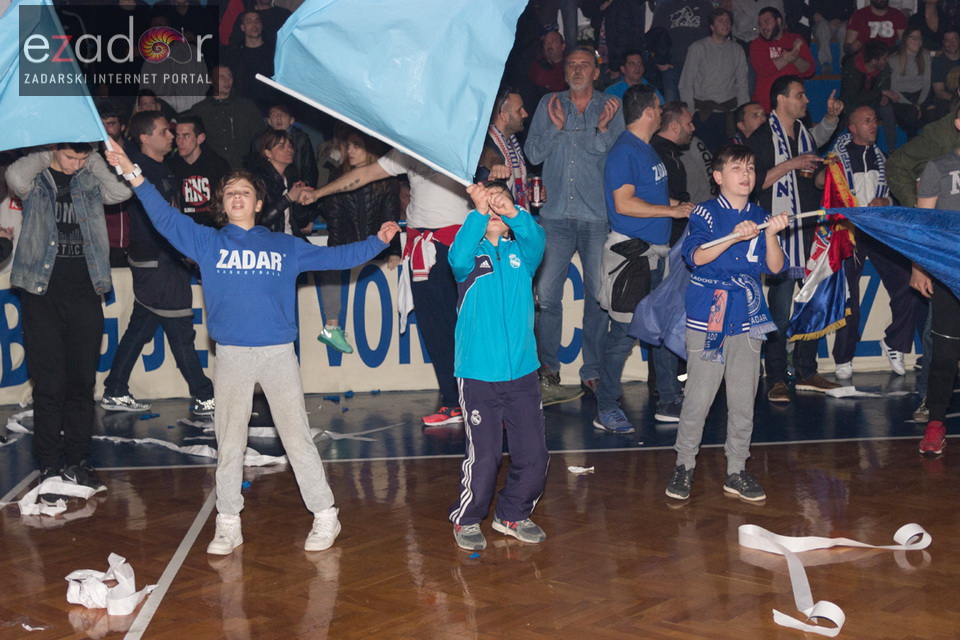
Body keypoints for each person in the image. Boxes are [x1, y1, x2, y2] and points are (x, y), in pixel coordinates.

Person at [105, 143, 399, 555]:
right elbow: (163, 216)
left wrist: (376, 243)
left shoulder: (284, 246)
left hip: (278, 355)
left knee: (297, 439)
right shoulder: (207, 243)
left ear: (259, 204)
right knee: (229, 443)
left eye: (244, 192)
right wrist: (131, 172)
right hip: (231, 357)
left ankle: (325, 514)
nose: (237, 197)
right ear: (222, 205)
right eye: (230, 193)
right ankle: (228, 522)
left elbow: (335, 257)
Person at [300, 147, 470, 426]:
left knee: (465, 327)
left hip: (457, 243)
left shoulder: (457, 143)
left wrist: (496, 164)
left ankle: (481, 400)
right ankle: (453, 402)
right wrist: (319, 193)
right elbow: (365, 173)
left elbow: (488, 157)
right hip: (419, 244)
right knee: (433, 329)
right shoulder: (408, 149)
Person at [7, 144, 132, 504]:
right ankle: (48, 464)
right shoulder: (38, 178)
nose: (75, 165)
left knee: (82, 383)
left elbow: (121, 191)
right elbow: (14, 176)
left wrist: (94, 159)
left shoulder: (90, 177)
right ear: (55, 150)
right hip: (41, 294)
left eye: (81, 158)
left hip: (85, 293)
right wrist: (47, 155)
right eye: (69, 157)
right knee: (50, 385)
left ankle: (77, 460)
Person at [665, 144, 789, 502]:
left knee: (743, 400)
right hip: (709, 314)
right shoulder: (704, 213)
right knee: (698, 398)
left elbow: (776, 267)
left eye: (750, 168)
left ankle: (736, 469)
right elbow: (696, 257)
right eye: (737, 168)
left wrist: (770, 234)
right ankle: (684, 464)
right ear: (718, 177)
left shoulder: (760, 214)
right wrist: (736, 235)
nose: (745, 174)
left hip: (748, 316)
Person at [447, 181, 548, 551]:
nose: (493, 210)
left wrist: (512, 210)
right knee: (485, 456)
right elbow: (456, 256)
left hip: (523, 373)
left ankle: (512, 514)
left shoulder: (523, 254)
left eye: (499, 204)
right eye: (486, 205)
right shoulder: (468, 257)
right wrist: (479, 212)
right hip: (478, 375)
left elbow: (536, 238)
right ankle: (468, 518)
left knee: (534, 454)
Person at [525, 47, 625, 402]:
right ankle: (548, 372)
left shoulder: (610, 106)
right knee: (548, 298)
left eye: (584, 65)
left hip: (596, 216)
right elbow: (532, 154)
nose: (577, 69)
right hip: (554, 217)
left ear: (596, 72)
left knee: (598, 299)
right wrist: (556, 129)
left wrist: (603, 130)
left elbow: (618, 159)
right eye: (571, 65)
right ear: (564, 71)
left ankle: (592, 371)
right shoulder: (549, 104)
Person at [100, 111, 215, 416]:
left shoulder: (162, 168)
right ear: (145, 138)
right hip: (158, 259)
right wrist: (185, 254)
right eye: (164, 131)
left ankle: (115, 389)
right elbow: (159, 222)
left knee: (142, 326)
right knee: (180, 328)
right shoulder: (141, 170)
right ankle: (205, 395)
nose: (171, 136)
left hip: (161, 259)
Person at [596, 86, 693, 434]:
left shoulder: (647, 150)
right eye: (659, 106)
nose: (662, 111)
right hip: (633, 257)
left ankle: (668, 399)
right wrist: (672, 211)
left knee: (661, 328)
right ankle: (605, 406)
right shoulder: (625, 151)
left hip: (654, 255)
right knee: (623, 334)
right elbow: (623, 203)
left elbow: (651, 198)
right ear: (649, 112)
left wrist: (685, 208)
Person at [744, 75, 843, 402]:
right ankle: (775, 377)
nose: (806, 100)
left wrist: (825, 177)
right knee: (780, 311)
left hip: (807, 230)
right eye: (800, 95)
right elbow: (755, 183)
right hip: (779, 235)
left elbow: (808, 179)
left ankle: (806, 371)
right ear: (781, 100)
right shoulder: (761, 137)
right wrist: (792, 164)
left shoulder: (803, 133)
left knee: (813, 304)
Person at [828, 106, 925, 378]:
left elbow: (894, 197)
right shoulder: (837, 158)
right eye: (867, 121)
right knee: (848, 295)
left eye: (875, 120)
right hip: (849, 232)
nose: (874, 125)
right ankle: (844, 357)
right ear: (852, 128)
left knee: (909, 284)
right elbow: (823, 186)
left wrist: (886, 200)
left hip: (879, 231)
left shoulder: (883, 157)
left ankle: (895, 343)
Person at [318, 129, 401, 355]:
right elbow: (336, 222)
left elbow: (390, 218)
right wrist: (336, 255)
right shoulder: (338, 176)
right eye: (348, 145)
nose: (350, 150)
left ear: (370, 148)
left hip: (378, 247)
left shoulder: (387, 181)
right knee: (329, 266)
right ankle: (331, 327)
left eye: (356, 145)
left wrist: (393, 250)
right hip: (349, 246)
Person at [911, 108, 960, 455]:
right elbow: (922, 226)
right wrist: (919, 267)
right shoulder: (938, 168)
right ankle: (935, 423)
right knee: (944, 354)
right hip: (948, 272)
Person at [679, 8, 750, 153]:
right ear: (711, 26)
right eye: (721, 21)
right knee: (705, 157)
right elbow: (686, 83)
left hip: (729, 113)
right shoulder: (698, 48)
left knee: (728, 156)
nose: (725, 24)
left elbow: (742, 84)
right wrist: (690, 113)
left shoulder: (737, 50)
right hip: (703, 113)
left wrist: (743, 114)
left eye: (728, 21)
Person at [188, 64, 264, 169]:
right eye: (221, 77)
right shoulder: (200, 110)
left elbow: (260, 137)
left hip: (243, 168)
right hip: (211, 168)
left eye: (229, 76)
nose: (226, 81)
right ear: (211, 80)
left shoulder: (246, 107)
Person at [168, 115, 231, 227]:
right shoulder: (171, 166)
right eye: (177, 136)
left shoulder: (218, 165)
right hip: (182, 228)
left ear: (200, 138)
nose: (180, 142)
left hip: (213, 228)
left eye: (186, 136)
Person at [750, 7, 815, 112]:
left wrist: (795, 59)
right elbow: (764, 69)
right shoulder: (757, 44)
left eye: (766, 22)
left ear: (779, 21)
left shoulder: (795, 39)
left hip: (794, 108)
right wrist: (789, 56)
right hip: (766, 109)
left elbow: (809, 71)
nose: (763, 27)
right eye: (760, 24)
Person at [650, 0, 714, 103]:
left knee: (698, 107)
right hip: (672, 67)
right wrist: (659, 62)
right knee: (672, 107)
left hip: (699, 67)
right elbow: (653, 35)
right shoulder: (664, 4)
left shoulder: (705, 5)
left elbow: (713, 34)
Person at [475, 87, 530, 205]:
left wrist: (527, 188)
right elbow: (485, 154)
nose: (525, 114)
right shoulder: (484, 142)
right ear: (504, 116)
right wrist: (496, 164)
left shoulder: (512, 144)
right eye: (519, 110)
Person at [880, 26, 931, 148]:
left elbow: (926, 83)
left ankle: (930, 148)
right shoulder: (894, 59)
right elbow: (894, 87)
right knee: (910, 114)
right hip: (901, 97)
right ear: (905, 40)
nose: (917, 41)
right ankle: (913, 147)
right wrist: (913, 106)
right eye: (913, 37)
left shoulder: (925, 56)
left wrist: (919, 104)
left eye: (919, 38)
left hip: (920, 96)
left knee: (932, 113)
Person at [810, 0, 857, 75]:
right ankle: (825, 63)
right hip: (822, 23)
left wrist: (839, 19)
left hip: (841, 23)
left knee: (844, 29)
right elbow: (811, 9)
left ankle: (844, 64)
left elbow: (853, 13)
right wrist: (814, 15)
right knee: (823, 26)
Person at [929, 30, 960, 120]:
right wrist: (956, 99)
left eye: (954, 39)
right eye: (947, 40)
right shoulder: (938, 62)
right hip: (947, 99)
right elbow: (939, 91)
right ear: (943, 42)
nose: (951, 43)